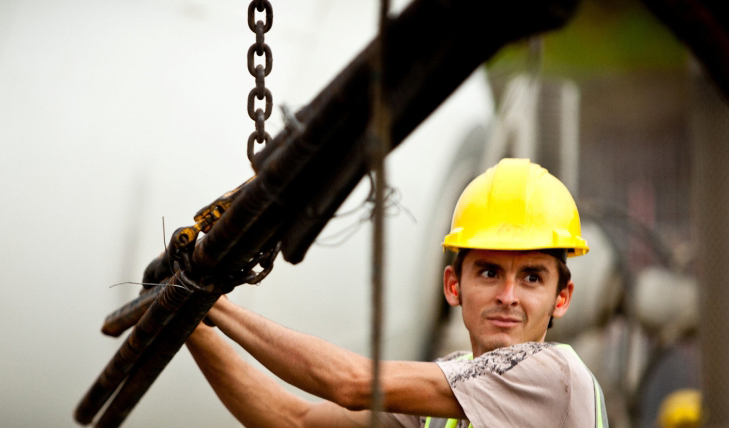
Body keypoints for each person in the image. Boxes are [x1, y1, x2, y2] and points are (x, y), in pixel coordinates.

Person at [187, 158, 608, 427]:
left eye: (532, 277)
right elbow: (290, 419)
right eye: (490, 272)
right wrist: (192, 324)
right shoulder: (449, 393)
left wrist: (212, 302)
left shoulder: (553, 376)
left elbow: (351, 383)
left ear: (562, 296)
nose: (509, 295)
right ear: (453, 285)